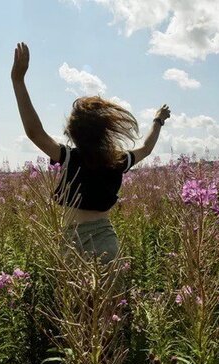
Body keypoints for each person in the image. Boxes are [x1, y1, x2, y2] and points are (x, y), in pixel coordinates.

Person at [11, 42, 170, 263]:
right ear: (105, 132)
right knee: (111, 299)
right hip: (108, 243)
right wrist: (158, 120)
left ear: (74, 132)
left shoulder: (70, 158)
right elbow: (146, 147)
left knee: (76, 298)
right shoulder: (117, 160)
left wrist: (18, 81)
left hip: (74, 245)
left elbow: (35, 133)